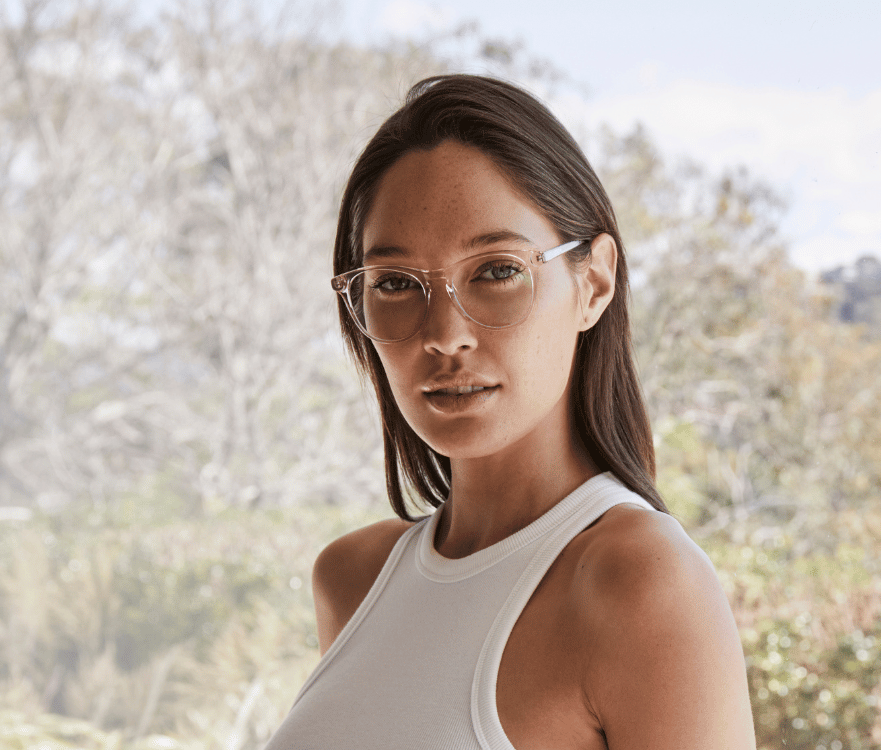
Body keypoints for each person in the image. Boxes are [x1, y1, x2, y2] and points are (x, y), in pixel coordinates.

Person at [264, 74, 756, 749]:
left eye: (496, 271)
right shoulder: (351, 578)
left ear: (593, 282)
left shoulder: (639, 581)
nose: (444, 335)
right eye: (396, 283)